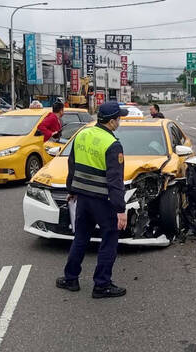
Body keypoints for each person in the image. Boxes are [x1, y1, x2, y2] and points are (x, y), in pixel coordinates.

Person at [57, 101, 128, 299]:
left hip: (83, 198)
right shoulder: (113, 145)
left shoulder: (82, 134)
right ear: (112, 121)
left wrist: (71, 190)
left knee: (81, 236)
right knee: (110, 237)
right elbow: (115, 180)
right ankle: (102, 284)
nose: (119, 121)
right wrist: (120, 210)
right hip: (102, 200)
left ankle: (70, 278)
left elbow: (72, 165)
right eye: (118, 118)